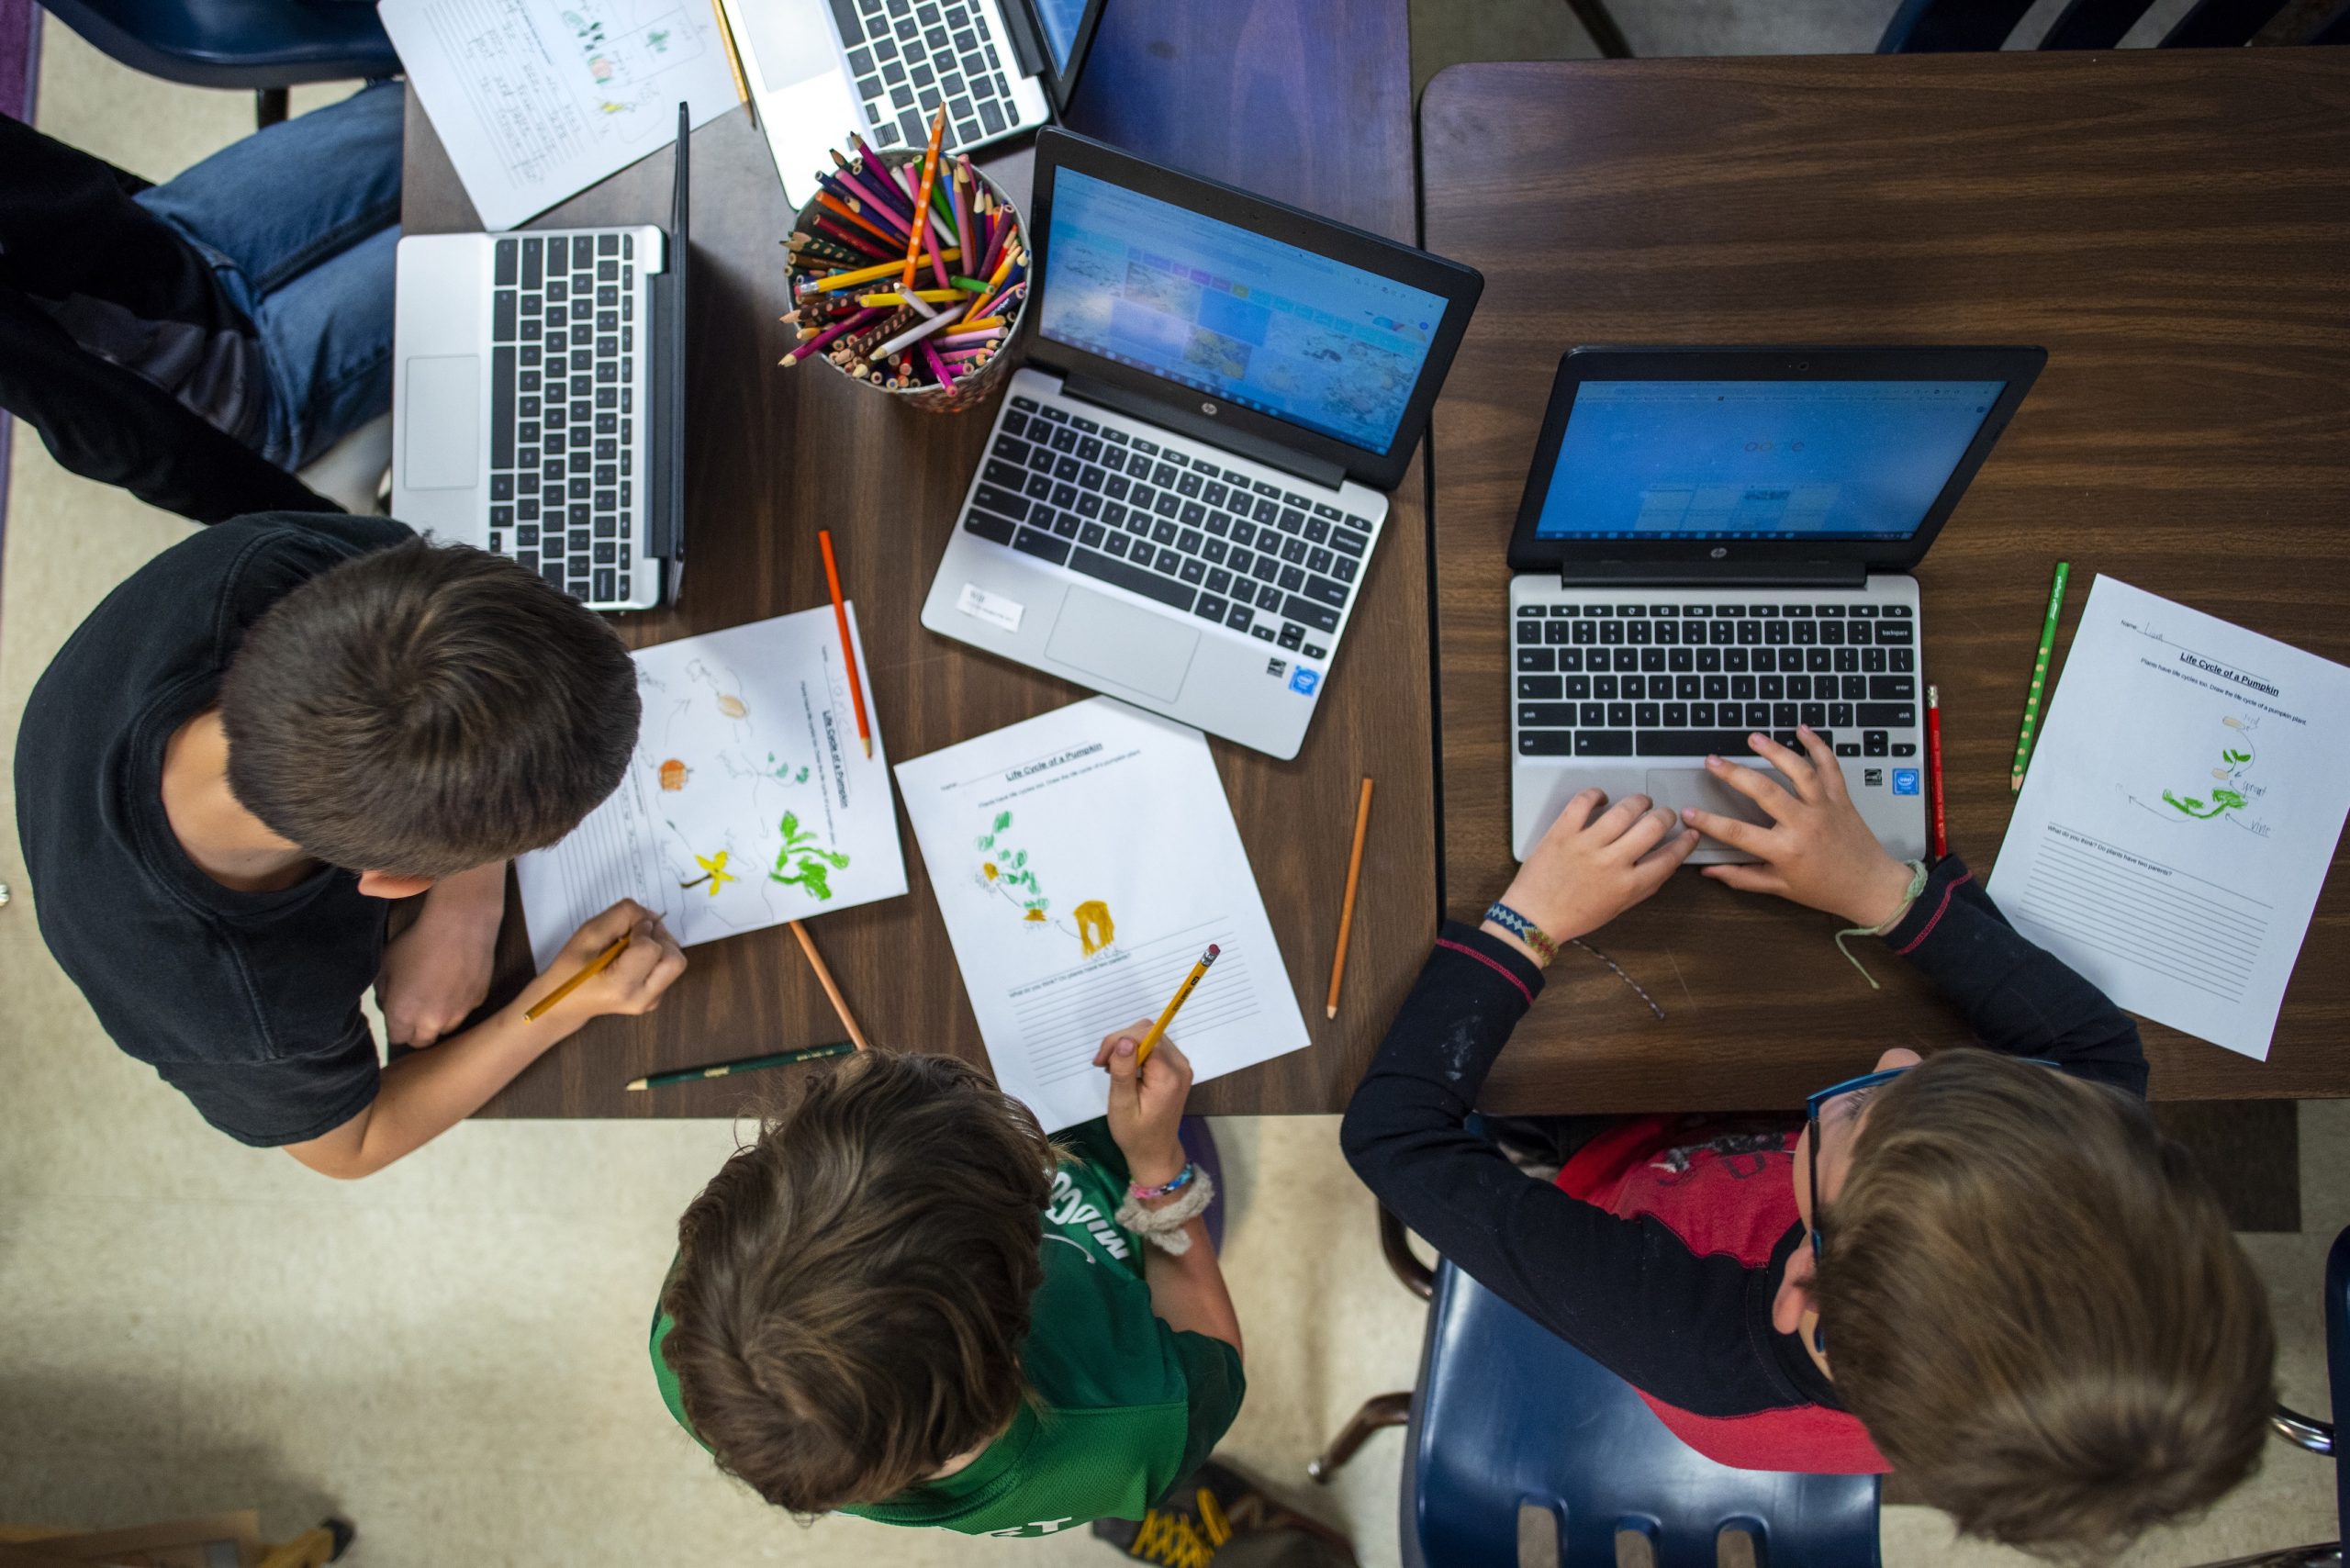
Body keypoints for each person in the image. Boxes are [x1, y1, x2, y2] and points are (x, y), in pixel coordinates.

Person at [1342, 728, 2276, 1562]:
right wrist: (1880, 889)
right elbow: (2098, 1051)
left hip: (1623, 1166)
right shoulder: (2092, 1164)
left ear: (1800, 1287)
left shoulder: (1683, 1331)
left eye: (1859, 1106)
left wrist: (1527, 922)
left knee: (1528, 1095)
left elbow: (1393, 1136)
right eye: (1944, 1078)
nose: (1897, 1053)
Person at [14, 511, 688, 1177]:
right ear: (393, 880)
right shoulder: (238, 1010)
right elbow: (351, 1147)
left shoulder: (294, 575)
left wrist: (466, 909)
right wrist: (558, 1006)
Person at [650, 1034, 1245, 1539]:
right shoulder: (1133, 1428)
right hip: (1126, 1204)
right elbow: (1213, 1342)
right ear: (1023, 1284)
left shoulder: (697, 1336)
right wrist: (1157, 1163)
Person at [0, 81, 402, 521]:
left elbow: (50, 178)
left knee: (435, 110)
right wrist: (313, 523)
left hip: (183, 233)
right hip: (235, 385)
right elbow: (108, 431)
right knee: (468, 244)